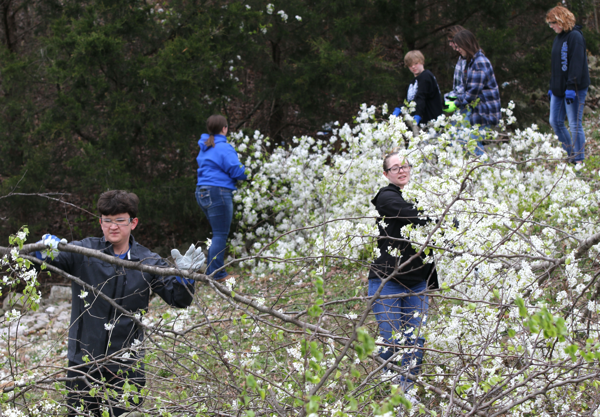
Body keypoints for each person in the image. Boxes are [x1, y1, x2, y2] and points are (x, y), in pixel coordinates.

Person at [35, 190, 203, 416]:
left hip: (126, 367)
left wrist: (186, 277)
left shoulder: (147, 260)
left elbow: (179, 300)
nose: (113, 226)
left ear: (133, 222)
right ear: (100, 222)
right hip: (83, 363)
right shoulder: (84, 252)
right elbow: (45, 260)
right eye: (107, 221)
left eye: (120, 221)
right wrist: (43, 249)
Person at [368, 151, 438, 394]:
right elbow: (412, 214)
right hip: (387, 281)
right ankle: (390, 386)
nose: (401, 170)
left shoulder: (421, 195)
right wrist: (437, 216)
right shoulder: (386, 196)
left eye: (405, 165)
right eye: (395, 167)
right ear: (386, 174)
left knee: (416, 340)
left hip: (416, 281)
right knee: (391, 339)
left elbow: (443, 222)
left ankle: (406, 391)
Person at [195, 115, 247, 282]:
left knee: (217, 234)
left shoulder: (206, 146)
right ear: (224, 128)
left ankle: (212, 271)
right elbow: (237, 171)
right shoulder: (224, 147)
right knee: (220, 234)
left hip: (202, 192)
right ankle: (217, 275)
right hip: (219, 192)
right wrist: (246, 171)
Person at [546, 5, 590, 164]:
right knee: (555, 121)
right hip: (559, 88)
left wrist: (572, 87)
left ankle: (579, 160)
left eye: (553, 23)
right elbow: (556, 66)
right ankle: (570, 153)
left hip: (574, 88)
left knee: (574, 123)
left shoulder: (575, 37)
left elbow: (577, 64)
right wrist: (552, 87)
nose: (551, 27)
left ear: (561, 20)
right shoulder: (558, 38)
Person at [392, 50, 443, 126]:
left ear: (422, 62)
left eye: (416, 63)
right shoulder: (413, 82)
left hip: (432, 122)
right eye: (410, 65)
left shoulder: (426, 76)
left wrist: (418, 115)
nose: (413, 67)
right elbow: (410, 101)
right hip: (422, 124)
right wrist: (400, 108)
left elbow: (421, 97)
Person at [443, 25, 467, 113]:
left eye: (451, 41)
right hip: (460, 105)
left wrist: (449, 98)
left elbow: (466, 87)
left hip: (470, 108)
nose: (450, 44)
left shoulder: (471, 60)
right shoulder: (461, 58)